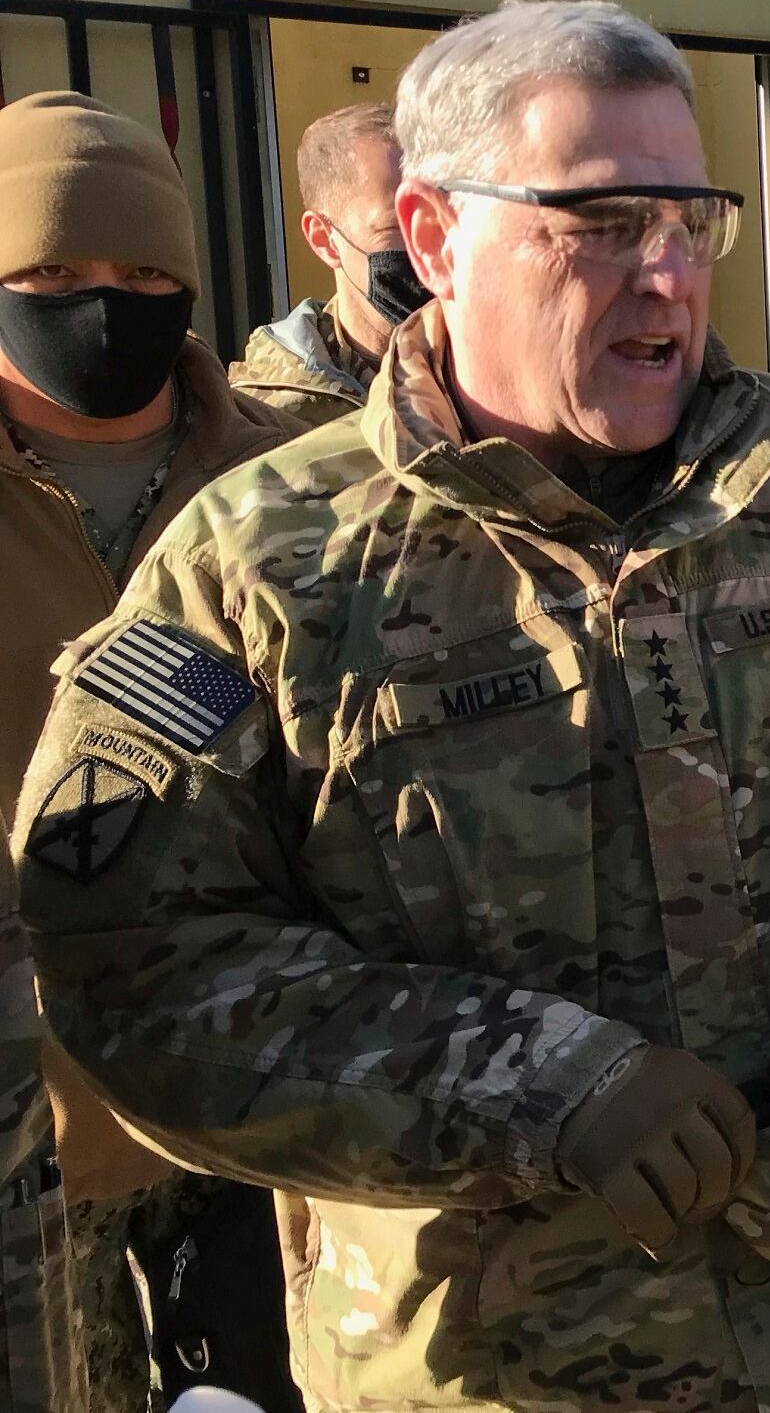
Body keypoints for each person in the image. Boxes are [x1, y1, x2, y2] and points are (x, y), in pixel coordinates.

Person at [12, 0, 770, 1412]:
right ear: (436, 239)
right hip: (508, 1370)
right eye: (598, 223)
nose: (665, 276)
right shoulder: (260, 566)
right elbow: (132, 963)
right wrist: (526, 1083)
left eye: (691, 221)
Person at [0, 91, 302, 1411]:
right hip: (31, 1133)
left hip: (272, 1101)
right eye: (52, 274)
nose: (103, 303)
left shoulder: (300, 481)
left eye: (144, 274)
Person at [229, 101, 428, 424]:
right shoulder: (263, 420)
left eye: (449, 219)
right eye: (397, 227)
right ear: (324, 239)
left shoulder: (508, 377)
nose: (435, 246)